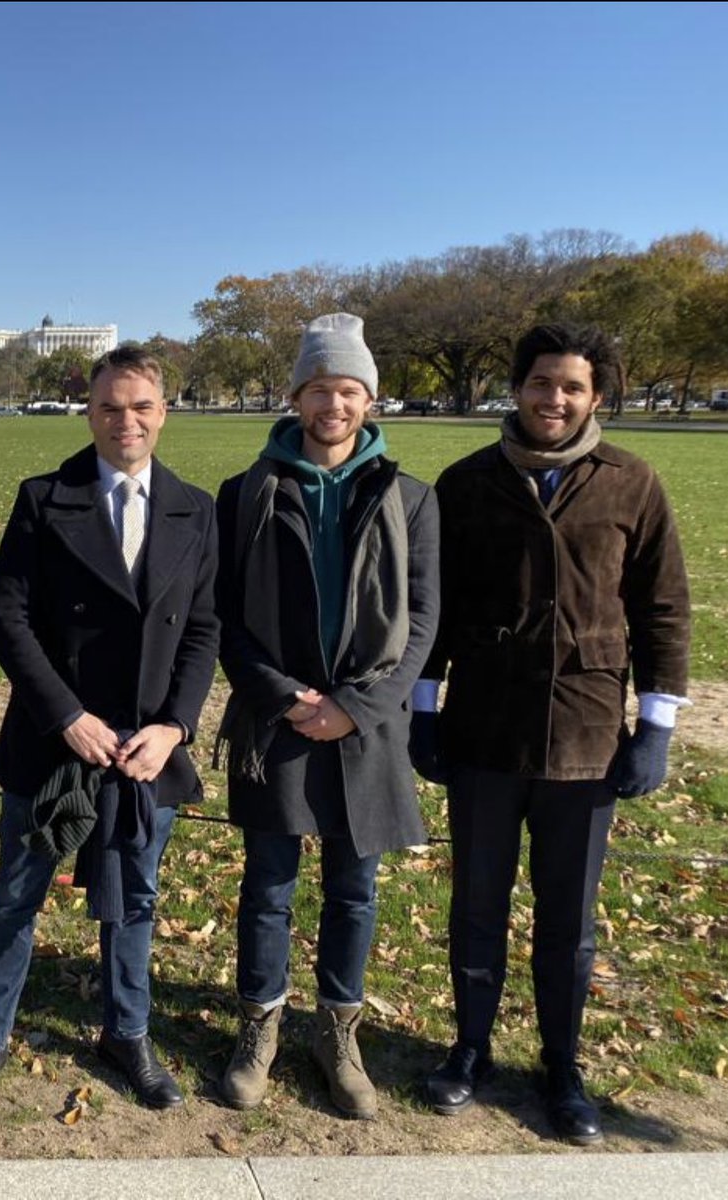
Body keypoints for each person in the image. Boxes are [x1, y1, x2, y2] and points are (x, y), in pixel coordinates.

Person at [411, 322, 691, 1144]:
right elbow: (439, 608)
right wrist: (423, 710)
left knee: (567, 916)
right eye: (540, 383)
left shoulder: (630, 483)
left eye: (570, 387)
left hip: (587, 735)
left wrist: (656, 726)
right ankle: (469, 1049)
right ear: (518, 387)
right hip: (484, 731)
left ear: (594, 395)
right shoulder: (466, 483)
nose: (553, 400)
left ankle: (560, 1066)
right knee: (476, 905)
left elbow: (662, 609)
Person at [0, 347, 219, 1120]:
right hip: (55, 741)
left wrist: (174, 726)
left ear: (163, 411)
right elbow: (7, 617)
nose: (124, 421)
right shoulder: (43, 498)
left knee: (133, 899)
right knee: (16, 898)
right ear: (88, 411)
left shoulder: (195, 509)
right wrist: (65, 715)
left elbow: (201, 629)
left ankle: (126, 1034)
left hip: (141, 752)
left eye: (140, 407)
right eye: (108, 407)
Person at [214, 313, 440, 1120]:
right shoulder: (244, 494)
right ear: (295, 395)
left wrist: (353, 708)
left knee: (353, 888)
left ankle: (338, 1032)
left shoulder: (410, 499)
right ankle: (259, 1027)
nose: (333, 404)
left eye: (348, 390)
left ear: (369, 400)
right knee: (268, 886)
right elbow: (226, 620)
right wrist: (282, 696)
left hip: (365, 726)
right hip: (276, 716)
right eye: (319, 388)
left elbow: (420, 626)